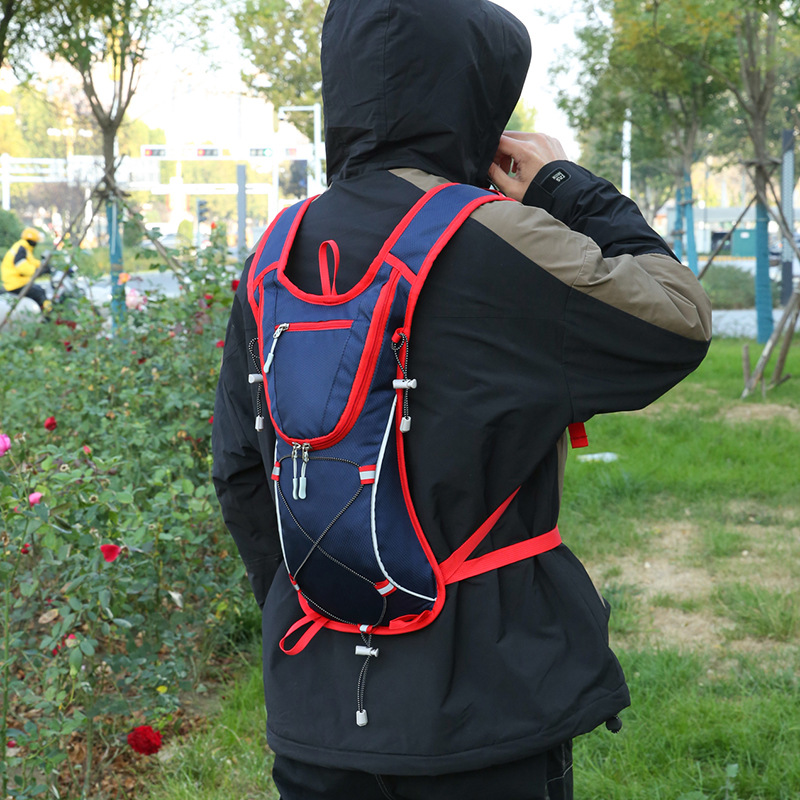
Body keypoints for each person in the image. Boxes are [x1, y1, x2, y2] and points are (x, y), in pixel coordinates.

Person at [212, 1, 712, 797]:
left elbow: (241, 471)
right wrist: (563, 186)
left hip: (316, 707)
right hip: (484, 711)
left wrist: (323, 613)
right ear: (475, 91)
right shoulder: (503, 238)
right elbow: (678, 321)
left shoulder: (274, 252)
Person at [1, 226, 51, 314]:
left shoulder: (24, 247)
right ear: (32, 241)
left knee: (40, 288)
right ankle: (48, 315)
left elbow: (31, 261)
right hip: (15, 283)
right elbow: (21, 265)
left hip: (18, 282)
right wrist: (37, 271)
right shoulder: (22, 248)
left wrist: (42, 265)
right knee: (39, 293)